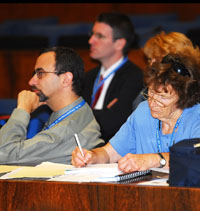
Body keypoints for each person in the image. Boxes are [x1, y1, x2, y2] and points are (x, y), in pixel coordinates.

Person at [72, 45, 200, 173]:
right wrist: (92, 156)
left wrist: (154, 160)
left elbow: (195, 157)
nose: (152, 103)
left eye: (162, 97)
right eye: (151, 92)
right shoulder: (143, 112)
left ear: (184, 97)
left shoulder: (196, 116)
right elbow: (109, 153)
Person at [0, 46, 104, 165]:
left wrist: (22, 109)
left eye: (40, 73)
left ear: (66, 79)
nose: (31, 82)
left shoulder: (67, 127)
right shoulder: (76, 113)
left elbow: (3, 154)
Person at [83, 12, 144, 142]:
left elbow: (112, 124)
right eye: (92, 34)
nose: (91, 41)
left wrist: (82, 119)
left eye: (99, 36)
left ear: (119, 44)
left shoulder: (135, 77)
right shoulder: (88, 77)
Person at [132, 31, 195, 110]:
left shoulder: (192, 96)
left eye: (158, 60)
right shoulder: (146, 92)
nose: (151, 65)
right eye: (150, 59)